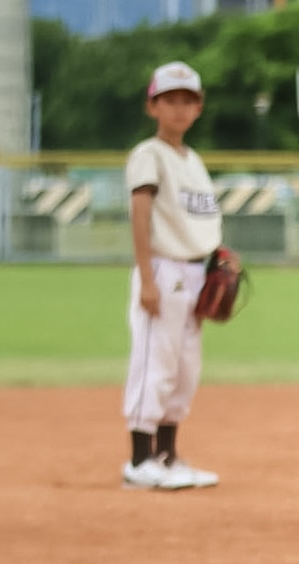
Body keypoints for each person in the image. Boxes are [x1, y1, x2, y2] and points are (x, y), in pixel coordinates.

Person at [120, 61, 222, 491]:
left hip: (194, 273)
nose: (179, 109)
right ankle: (139, 460)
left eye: (187, 101)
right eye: (170, 100)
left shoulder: (192, 160)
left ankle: (167, 456)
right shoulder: (149, 154)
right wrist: (146, 277)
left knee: (184, 369)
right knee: (154, 364)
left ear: (198, 108)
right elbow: (140, 214)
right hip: (162, 269)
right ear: (152, 106)